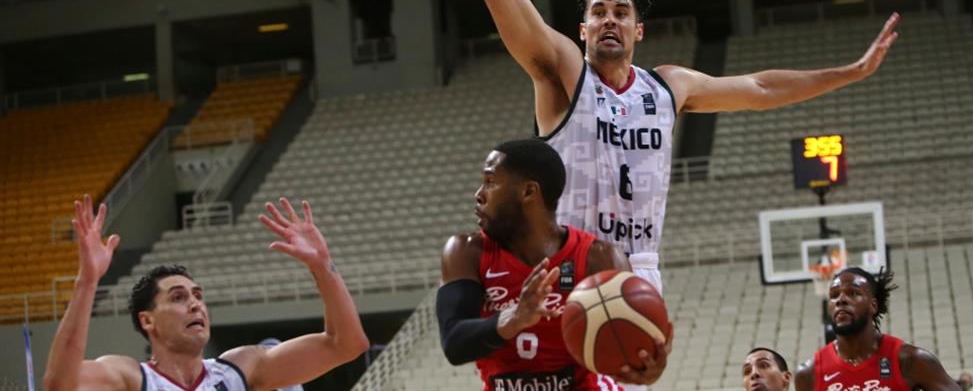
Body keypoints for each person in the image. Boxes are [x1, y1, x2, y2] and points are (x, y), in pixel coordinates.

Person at [473, 0, 901, 296]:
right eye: (598, 12)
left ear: (638, 30)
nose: (610, 20)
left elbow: (761, 88)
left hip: (639, 267)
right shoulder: (564, 73)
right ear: (583, 30)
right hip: (568, 261)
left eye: (621, 12)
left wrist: (851, 72)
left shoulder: (667, 87)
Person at [43, 195, 369, 391]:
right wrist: (87, 282)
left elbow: (347, 344)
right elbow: (61, 385)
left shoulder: (239, 370)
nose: (195, 304)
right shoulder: (131, 378)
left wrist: (322, 266)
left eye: (198, 295)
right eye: (178, 297)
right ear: (148, 320)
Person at [437, 139, 672, 390]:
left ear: (529, 191)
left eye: (490, 181)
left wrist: (644, 368)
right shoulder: (466, 251)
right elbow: (454, 342)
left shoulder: (599, 257)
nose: (479, 194)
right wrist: (515, 317)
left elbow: (628, 349)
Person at [795, 267, 960, 391]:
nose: (841, 300)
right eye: (834, 295)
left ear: (873, 305)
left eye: (853, 293)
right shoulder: (809, 374)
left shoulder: (911, 360)